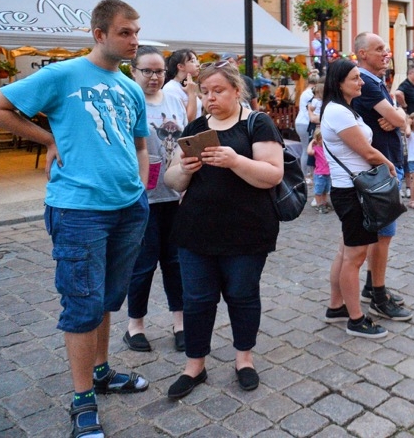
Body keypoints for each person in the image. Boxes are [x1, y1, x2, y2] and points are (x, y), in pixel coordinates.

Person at [0, 0, 151, 438]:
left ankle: (101, 372)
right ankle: (82, 401)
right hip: (79, 210)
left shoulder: (132, 86)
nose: (134, 41)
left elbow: (138, 145)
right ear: (99, 34)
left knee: (105, 298)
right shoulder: (62, 75)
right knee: (81, 303)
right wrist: (48, 138)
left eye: (136, 32)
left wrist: (140, 189)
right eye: (124, 33)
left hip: (129, 207)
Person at [163, 61, 284, 399]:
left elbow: (272, 174)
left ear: (236, 91)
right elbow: (172, 181)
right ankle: (195, 365)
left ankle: (244, 359)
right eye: (205, 92)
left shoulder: (257, 124)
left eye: (218, 91)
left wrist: (234, 161)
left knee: (243, 296)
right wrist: (185, 170)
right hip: (195, 230)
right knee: (197, 299)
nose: (210, 98)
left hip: (247, 230)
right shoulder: (196, 127)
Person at [320, 58, 396, 338]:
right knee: (355, 256)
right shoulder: (338, 112)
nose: (361, 81)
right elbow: (367, 152)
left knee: (345, 252)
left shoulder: (342, 109)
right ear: (339, 83)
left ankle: (336, 306)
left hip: (350, 189)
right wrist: (388, 164)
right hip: (352, 191)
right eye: (355, 78)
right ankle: (355, 318)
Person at [123, 47, 186, 354]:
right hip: (142, 198)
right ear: (133, 71)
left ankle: (180, 323)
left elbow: (184, 144)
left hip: (173, 195)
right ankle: (135, 325)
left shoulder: (175, 100)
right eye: (147, 71)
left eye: (159, 71)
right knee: (143, 264)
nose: (154, 77)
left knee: (176, 262)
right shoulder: (128, 102)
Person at [351, 32, 413, 321]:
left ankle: (370, 286)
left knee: (380, 235)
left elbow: (401, 118)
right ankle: (378, 295)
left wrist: (399, 116)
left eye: (387, 49)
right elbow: (402, 119)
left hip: (384, 163)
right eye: (379, 49)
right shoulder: (370, 86)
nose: (386, 54)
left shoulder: (375, 84)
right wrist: (399, 118)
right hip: (381, 167)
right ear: (362, 54)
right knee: (383, 236)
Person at [164, 49, 201, 121]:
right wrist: (191, 94)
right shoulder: (170, 88)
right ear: (180, 67)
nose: (198, 64)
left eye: (197, 60)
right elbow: (187, 120)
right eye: (192, 61)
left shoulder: (186, 85)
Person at [295, 73, 320, 176]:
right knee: (307, 149)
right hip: (306, 123)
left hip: (301, 122)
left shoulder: (305, 92)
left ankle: (306, 174)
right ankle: (305, 175)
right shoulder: (311, 93)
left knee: (306, 149)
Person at [310, 129, 332, 212]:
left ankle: (324, 203)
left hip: (327, 173)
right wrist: (312, 142)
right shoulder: (316, 148)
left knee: (325, 190)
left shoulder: (327, 148)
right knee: (319, 190)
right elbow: (309, 152)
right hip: (320, 173)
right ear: (318, 139)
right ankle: (319, 205)